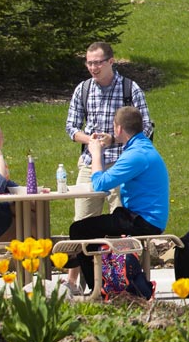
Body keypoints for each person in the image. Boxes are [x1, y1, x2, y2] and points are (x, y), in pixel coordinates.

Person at [64, 105, 168, 293]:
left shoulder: (135, 155)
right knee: (92, 228)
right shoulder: (142, 147)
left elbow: (100, 183)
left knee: (79, 230)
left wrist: (95, 153)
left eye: (114, 126)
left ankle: (99, 288)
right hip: (143, 217)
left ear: (118, 128)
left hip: (143, 221)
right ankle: (107, 280)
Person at [65, 42, 153, 223]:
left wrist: (113, 139)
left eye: (98, 63)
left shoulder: (130, 89)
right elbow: (71, 128)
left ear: (111, 61)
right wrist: (91, 140)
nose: (93, 68)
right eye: (89, 63)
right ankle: (86, 251)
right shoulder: (83, 89)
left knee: (122, 222)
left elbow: (145, 127)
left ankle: (122, 253)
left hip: (122, 164)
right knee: (82, 222)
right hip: (90, 162)